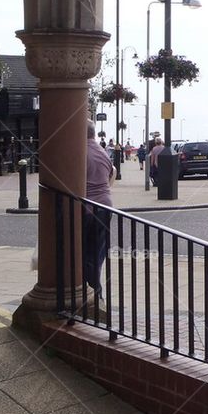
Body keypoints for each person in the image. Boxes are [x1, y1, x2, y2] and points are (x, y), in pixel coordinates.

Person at [84, 122, 115, 297]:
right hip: (105, 206)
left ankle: (94, 296)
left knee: (86, 256)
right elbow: (112, 172)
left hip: (88, 209)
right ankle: (96, 295)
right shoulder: (102, 151)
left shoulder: (80, 152)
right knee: (97, 254)